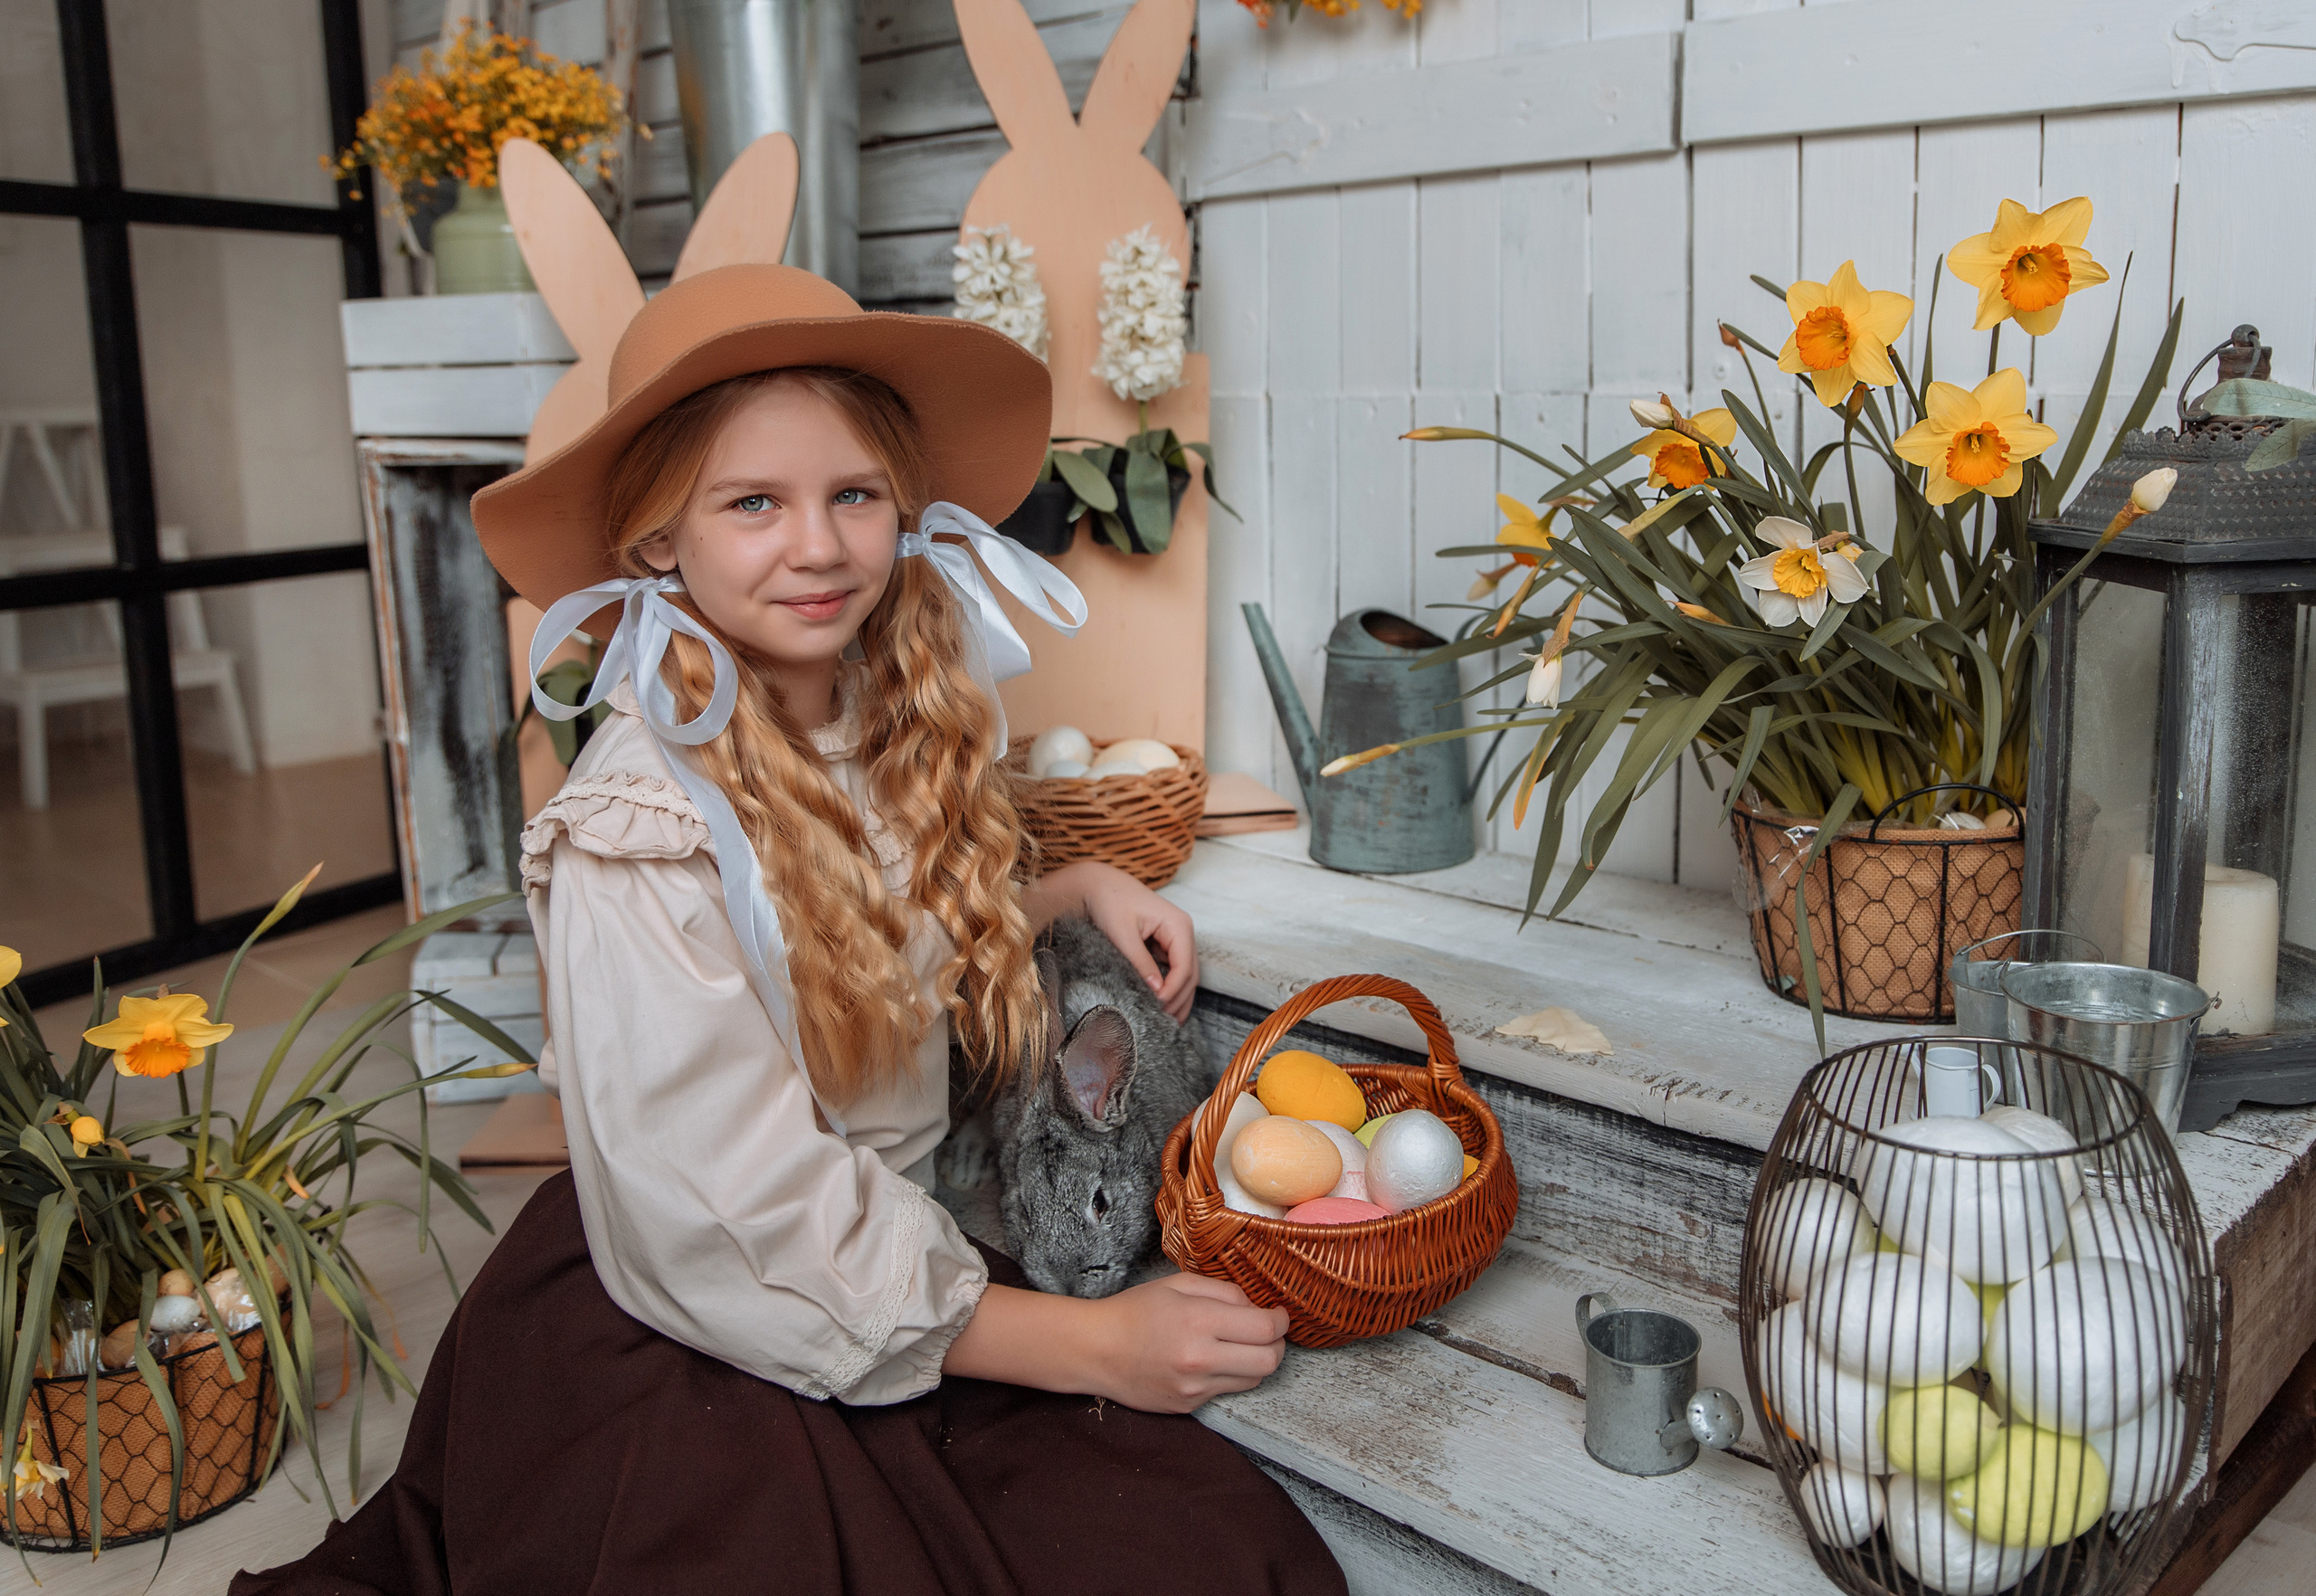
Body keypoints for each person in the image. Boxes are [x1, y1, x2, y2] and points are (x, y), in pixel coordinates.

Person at [233, 266, 1343, 1595]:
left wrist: (1067, 889)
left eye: (854, 495)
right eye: (752, 502)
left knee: (1220, 1553)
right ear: (658, 542)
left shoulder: (890, 716)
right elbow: (739, 1202)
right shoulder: (639, 821)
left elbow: (880, 938)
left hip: (889, 1249)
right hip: (707, 1296)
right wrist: (1092, 1349)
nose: (817, 547)